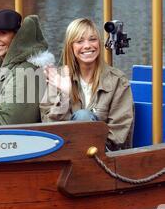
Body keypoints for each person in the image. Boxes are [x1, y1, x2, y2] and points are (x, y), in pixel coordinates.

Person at [41, 18, 134, 151]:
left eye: (92, 39)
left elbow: (118, 135)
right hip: (65, 152)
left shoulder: (117, 80)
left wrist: (89, 136)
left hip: (104, 156)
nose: (87, 46)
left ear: (99, 43)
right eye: (79, 41)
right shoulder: (58, 77)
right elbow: (48, 128)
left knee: (83, 116)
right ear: (70, 46)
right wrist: (65, 95)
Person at [0, 9, 55, 126]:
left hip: (23, 140)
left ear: (18, 36)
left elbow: (10, 121)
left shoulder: (25, 71)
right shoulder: (4, 66)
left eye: (2, 33)